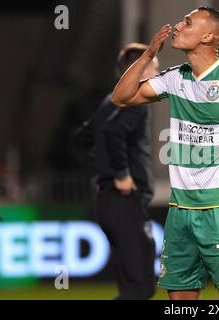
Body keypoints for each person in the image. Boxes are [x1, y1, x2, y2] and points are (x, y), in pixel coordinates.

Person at [110, 6, 219, 300]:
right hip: (180, 210)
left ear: (209, 35)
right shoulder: (175, 78)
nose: (178, 25)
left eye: (188, 22)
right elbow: (120, 97)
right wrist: (148, 54)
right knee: (180, 300)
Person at [72, 43, 159, 300]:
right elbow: (114, 132)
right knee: (140, 287)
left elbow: (80, 140)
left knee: (131, 286)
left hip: (108, 202)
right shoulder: (135, 99)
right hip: (125, 201)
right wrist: (120, 174)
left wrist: (97, 176)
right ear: (140, 69)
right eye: (154, 65)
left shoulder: (109, 101)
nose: (158, 71)